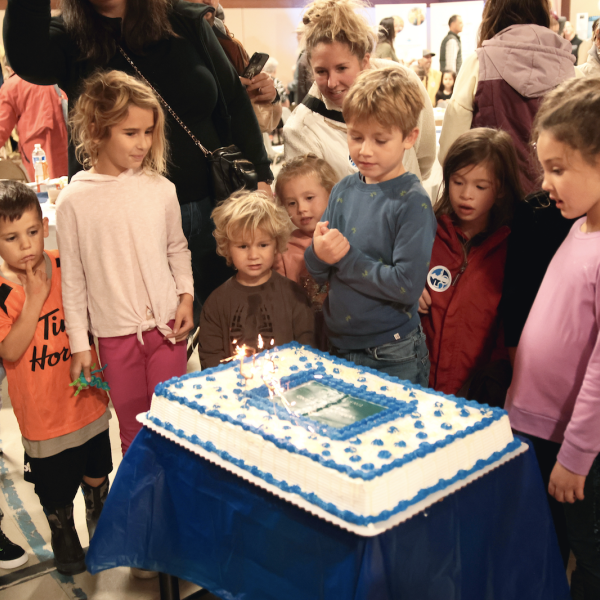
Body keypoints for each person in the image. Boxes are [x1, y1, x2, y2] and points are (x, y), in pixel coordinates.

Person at [4, 0, 273, 308]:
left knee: (230, 324)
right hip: (125, 224)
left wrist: (261, 178)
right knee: (153, 337)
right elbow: (27, 59)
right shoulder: (70, 35)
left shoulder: (185, 20)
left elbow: (234, 102)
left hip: (213, 208)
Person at [57, 71, 194, 456]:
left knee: (171, 429)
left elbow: (176, 248)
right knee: (133, 435)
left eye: (149, 132)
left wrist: (185, 297)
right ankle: (142, 513)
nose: (143, 143)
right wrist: (80, 345)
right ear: (98, 129)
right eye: (130, 132)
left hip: (167, 329)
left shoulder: (161, 189)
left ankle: (173, 511)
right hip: (114, 338)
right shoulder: (73, 200)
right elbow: (74, 281)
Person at [505, 78, 600, 597]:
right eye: (545, 168)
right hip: (543, 428)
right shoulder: (580, 223)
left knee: (590, 559)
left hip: (579, 449)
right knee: (547, 544)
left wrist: (578, 455)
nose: (545, 183)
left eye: (559, 169)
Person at [0, 181, 111, 575]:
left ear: (45, 226)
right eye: (11, 238)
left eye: (32, 232)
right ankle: (63, 533)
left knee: (97, 471)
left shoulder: (65, 262)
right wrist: (33, 299)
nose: (25, 245)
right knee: (56, 488)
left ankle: (101, 523)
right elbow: (9, 351)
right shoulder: (2, 290)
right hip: (44, 418)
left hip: (87, 397)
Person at [304, 68, 436, 384]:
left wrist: (343, 258)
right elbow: (319, 270)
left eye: (380, 139)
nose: (365, 150)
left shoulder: (412, 202)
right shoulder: (342, 190)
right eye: (356, 136)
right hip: (337, 344)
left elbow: (406, 287)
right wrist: (318, 253)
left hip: (392, 353)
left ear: (409, 137)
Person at [418, 129, 522, 398]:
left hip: (476, 393)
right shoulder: (425, 231)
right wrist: (406, 286)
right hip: (418, 383)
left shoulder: (512, 248)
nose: (466, 195)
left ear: (500, 189)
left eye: (480, 186)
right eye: (458, 182)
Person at [283, 0, 435, 183]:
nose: (332, 83)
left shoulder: (403, 82)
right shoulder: (301, 128)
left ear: (364, 61)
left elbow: (424, 158)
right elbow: (307, 202)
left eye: (341, 68)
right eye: (321, 72)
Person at [438, 0, 578, 196]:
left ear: (492, 12)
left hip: (490, 201)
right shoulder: (570, 68)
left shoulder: (479, 63)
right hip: (555, 200)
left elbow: (450, 150)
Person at [198, 190, 314, 368]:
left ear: (276, 244)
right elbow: (211, 360)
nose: (253, 255)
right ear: (227, 247)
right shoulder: (216, 303)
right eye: (243, 246)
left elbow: (308, 351)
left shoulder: (294, 295)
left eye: (263, 245)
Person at [274, 154, 338, 349]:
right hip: (304, 341)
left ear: (331, 194)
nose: (301, 208)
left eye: (309, 198)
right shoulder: (283, 249)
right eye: (292, 203)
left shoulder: (343, 238)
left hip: (344, 338)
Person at [195, 0, 282, 133]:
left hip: (239, 148)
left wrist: (269, 95)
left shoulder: (231, 45)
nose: (209, 1)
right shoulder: (161, 43)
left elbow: (262, 124)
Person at [0, 59, 68, 181]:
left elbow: (2, 128)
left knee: (44, 191)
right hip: (64, 141)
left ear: (9, 69)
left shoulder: (11, 86)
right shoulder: (51, 76)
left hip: (35, 147)